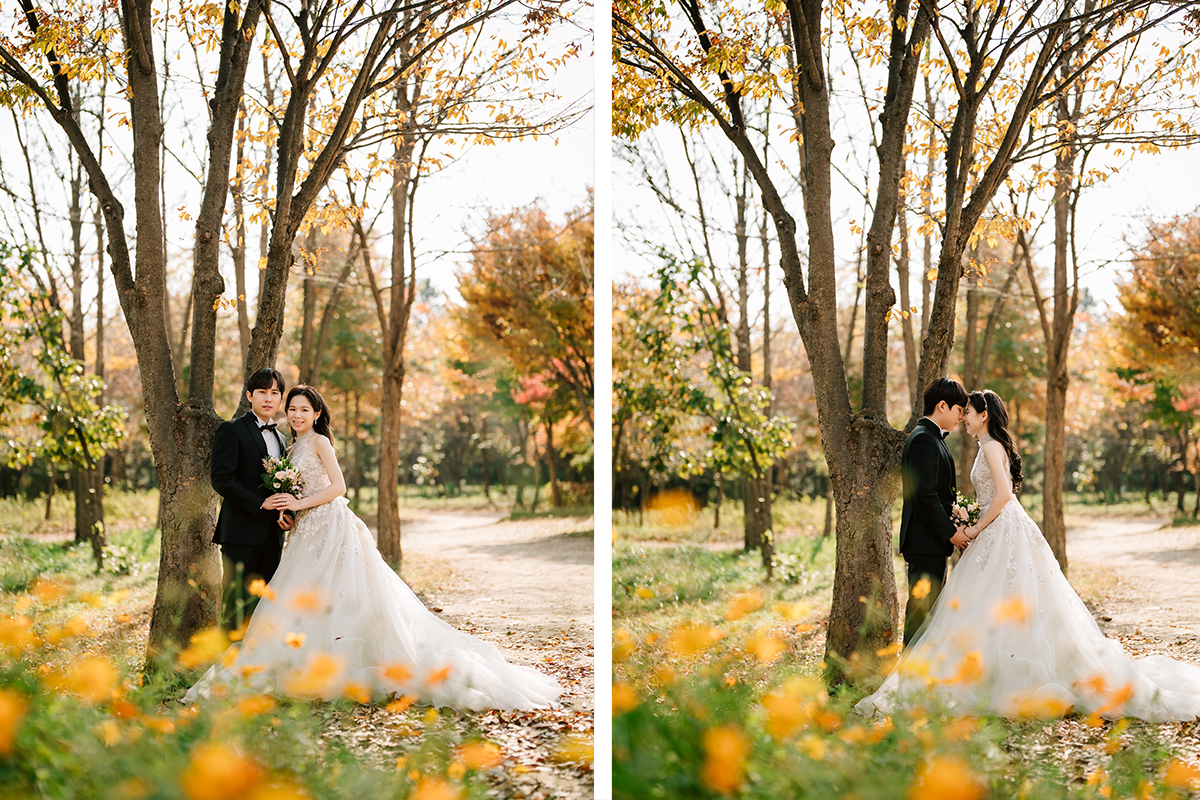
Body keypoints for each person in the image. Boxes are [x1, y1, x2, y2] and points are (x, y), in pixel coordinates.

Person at [185, 385, 562, 711]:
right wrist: (291, 514)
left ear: (317, 414)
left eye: (304, 409)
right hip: (305, 530)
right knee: (306, 594)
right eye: (293, 409)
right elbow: (296, 490)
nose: (297, 415)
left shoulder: (318, 442)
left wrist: (297, 505)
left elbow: (338, 487)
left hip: (332, 525)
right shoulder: (292, 444)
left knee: (341, 591)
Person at [858, 389, 1200, 720]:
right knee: (989, 602)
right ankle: (966, 672)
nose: (964, 417)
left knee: (1000, 598)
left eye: (969, 412)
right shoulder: (980, 445)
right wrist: (968, 516)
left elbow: (1003, 494)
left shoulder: (990, 446)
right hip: (993, 529)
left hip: (1002, 530)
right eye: (960, 411)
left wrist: (974, 528)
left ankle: (990, 675)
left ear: (984, 415)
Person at [210, 368, 294, 633]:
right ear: (249, 396)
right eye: (262, 392)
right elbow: (221, 478)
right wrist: (261, 503)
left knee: (265, 605)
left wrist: (286, 514)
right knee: (235, 604)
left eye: (274, 393)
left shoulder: (282, 439)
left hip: (272, 535)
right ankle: (226, 665)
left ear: (280, 399)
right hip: (240, 534)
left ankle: (256, 664)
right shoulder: (231, 430)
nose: (268, 398)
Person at [898, 378, 970, 646]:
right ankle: (905, 679)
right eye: (958, 410)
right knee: (920, 615)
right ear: (942, 405)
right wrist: (952, 533)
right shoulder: (923, 441)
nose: (961, 417)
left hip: (931, 543)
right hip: (925, 542)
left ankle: (918, 679)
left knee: (928, 616)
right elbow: (925, 496)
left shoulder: (931, 438)